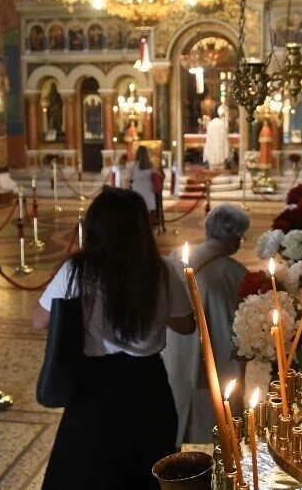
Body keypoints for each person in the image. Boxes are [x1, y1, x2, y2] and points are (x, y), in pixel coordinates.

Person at [32, 188, 196, 489]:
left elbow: (39, 319)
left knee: (90, 470)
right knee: (147, 471)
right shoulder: (163, 269)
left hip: (94, 387)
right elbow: (187, 325)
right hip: (147, 385)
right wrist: (158, 311)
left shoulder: (76, 270)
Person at [163, 204, 250, 447]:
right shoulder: (237, 273)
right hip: (219, 362)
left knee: (177, 412)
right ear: (234, 238)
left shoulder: (177, 256)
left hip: (174, 352)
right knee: (217, 424)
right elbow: (244, 327)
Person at [127, 145, 160, 214]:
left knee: (138, 209)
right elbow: (158, 175)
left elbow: (129, 178)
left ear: (137, 153)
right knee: (147, 209)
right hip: (148, 187)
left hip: (137, 188)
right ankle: (147, 223)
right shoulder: (150, 164)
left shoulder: (132, 165)